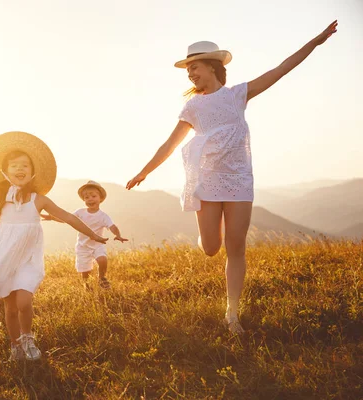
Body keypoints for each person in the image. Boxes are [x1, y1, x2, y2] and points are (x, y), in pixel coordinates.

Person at [126, 21, 338, 334]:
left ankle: (232, 314)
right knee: (212, 247)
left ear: (211, 66)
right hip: (208, 182)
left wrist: (316, 42)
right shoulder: (193, 107)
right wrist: (144, 171)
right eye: (188, 71)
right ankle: (209, 231)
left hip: (239, 181)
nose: (191, 74)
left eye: (194, 67)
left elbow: (282, 68)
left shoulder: (238, 95)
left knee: (236, 247)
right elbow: (170, 144)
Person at [0, 131, 108, 361]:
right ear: (5, 172)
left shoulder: (38, 199)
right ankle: (15, 346)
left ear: (32, 172)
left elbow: (69, 217)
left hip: (28, 260)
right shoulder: (2, 201)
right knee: (10, 307)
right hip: (4, 259)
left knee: (24, 301)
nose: (20, 169)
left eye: (25, 165)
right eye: (14, 165)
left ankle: (27, 338)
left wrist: (94, 235)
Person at [42, 180, 127, 289]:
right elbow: (67, 219)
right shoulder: (80, 212)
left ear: (100, 198)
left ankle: (102, 278)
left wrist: (118, 235)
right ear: (83, 200)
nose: (90, 199)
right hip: (83, 246)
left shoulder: (103, 216)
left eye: (93, 196)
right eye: (86, 197)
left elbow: (112, 226)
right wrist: (53, 217)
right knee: (85, 270)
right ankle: (86, 286)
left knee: (102, 260)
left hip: (98, 244)